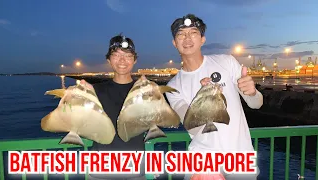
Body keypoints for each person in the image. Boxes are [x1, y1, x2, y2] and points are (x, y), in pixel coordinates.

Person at [165, 14, 263, 180]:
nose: (187, 38)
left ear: (202, 39)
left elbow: (256, 104)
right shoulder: (173, 86)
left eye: (193, 32)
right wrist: (203, 98)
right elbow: (193, 128)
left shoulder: (226, 62)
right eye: (181, 34)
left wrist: (252, 92)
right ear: (175, 43)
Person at [88, 34, 146, 180]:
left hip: (135, 167)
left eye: (127, 55)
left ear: (135, 60)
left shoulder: (144, 91)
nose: (122, 60)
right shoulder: (94, 91)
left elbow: (154, 121)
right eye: (116, 55)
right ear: (109, 60)